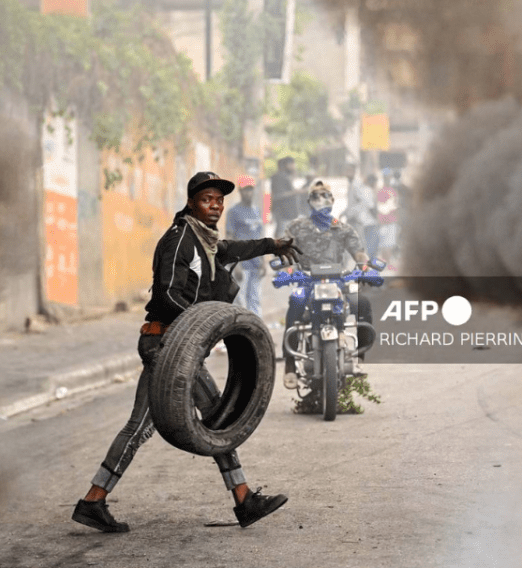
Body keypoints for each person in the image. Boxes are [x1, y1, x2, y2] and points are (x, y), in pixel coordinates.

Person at [73, 172, 301, 533]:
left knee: (153, 425)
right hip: (166, 344)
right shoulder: (181, 239)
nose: (216, 206)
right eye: (208, 199)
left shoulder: (205, 242)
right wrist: (197, 330)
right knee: (216, 417)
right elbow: (166, 294)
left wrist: (273, 244)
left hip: (175, 346)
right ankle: (243, 499)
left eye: (219, 200)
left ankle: (93, 500)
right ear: (192, 202)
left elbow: (234, 249)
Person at [279, 180, 373, 389]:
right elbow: (284, 251)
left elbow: (359, 253)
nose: (320, 200)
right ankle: (290, 365)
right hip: (306, 281)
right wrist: (285, 268)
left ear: (332, 200)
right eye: (315, 196)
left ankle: (359, 359)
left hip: (339, 282)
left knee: (363, 304)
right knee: (295, 302)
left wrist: (365, 268)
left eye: (325, 195)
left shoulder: (344, 229)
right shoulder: (296, 227)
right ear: (308, 202)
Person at [226, 175, 266, 317]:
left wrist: (263, 261)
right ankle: (241, 335)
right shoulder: (233, 212)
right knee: (240, 303)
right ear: (240, 191)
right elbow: (230, 239)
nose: (248, 193)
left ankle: (257, 334)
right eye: (245, 190)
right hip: (241, 264)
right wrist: (234, 265)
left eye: (250, 190)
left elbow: (260, 237)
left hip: (255, 263)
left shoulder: (256, 211)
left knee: (255, 300)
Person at [344, 164, 378, 261]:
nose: (348, 173)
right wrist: (344, 212)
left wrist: (356, 213)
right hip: (350, 219)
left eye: (350, 171)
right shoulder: (351, 184)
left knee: (359, 246)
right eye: (347, 171)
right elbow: (352, 203)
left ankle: (362, 268)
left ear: (354, 172)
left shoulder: (357, 185)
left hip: (357, 220)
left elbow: (365, 202)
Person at [269, 156, 304, 237]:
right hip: (283, 213)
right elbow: (278, 195)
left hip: (289, 213)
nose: (294, 166)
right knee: (282, 236)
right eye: (293, 164)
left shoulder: (287, 177)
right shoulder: (278, 177)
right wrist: (296, 192)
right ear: (287, 165)